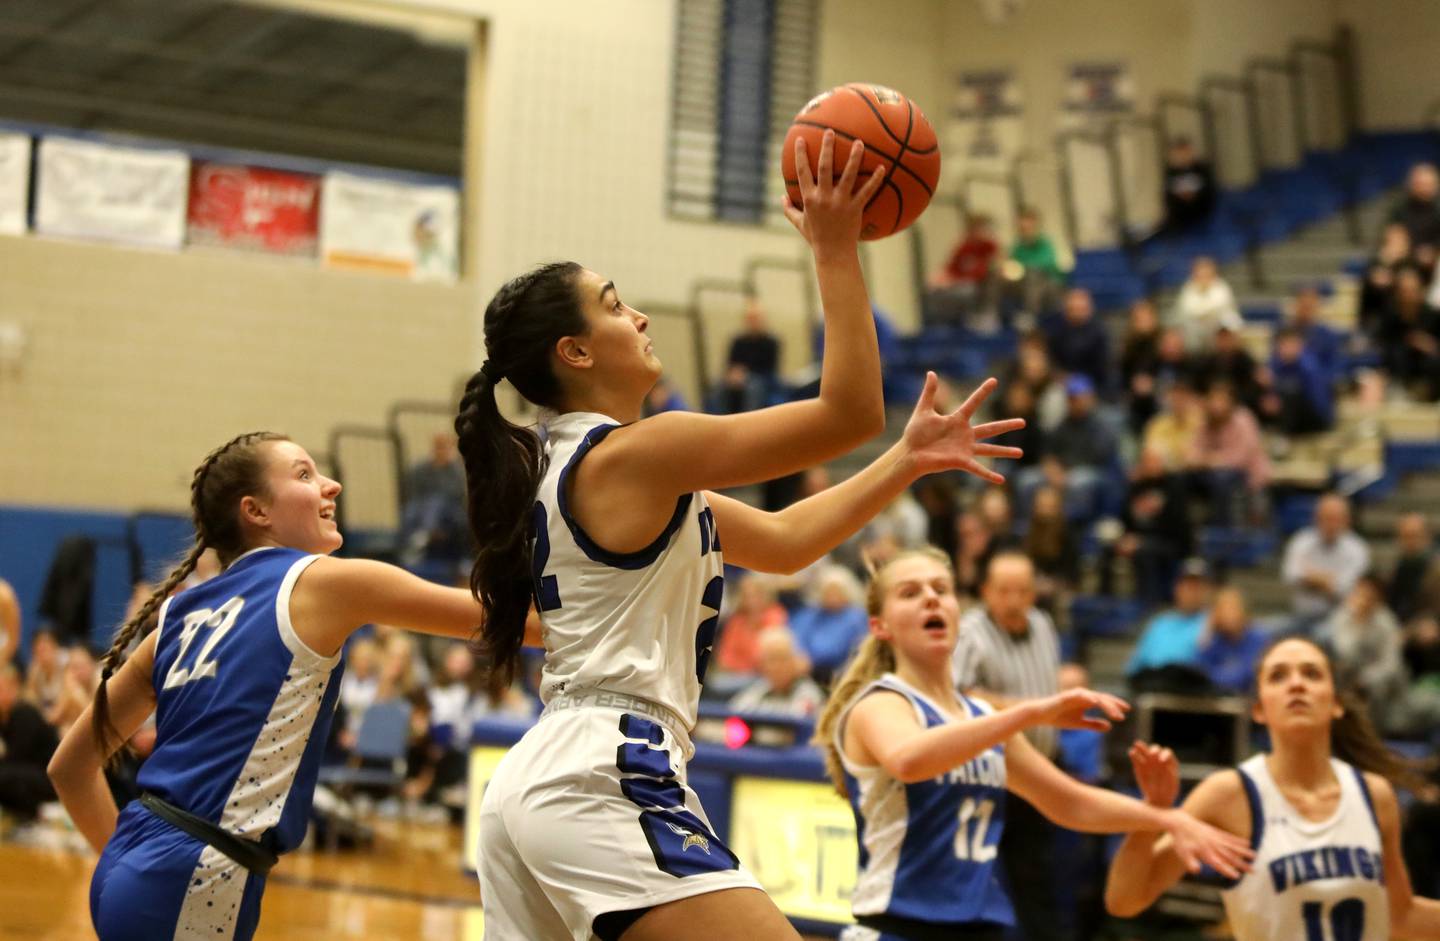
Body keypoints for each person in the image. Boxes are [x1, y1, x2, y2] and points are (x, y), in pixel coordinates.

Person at [456, 131, 1027, 941]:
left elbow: (791, 540)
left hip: (548, 773)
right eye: (615, 304)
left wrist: (904, 461)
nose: (640, 312)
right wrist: (837, 251)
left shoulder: (612, 470)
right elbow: (848, 413)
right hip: (603, 768)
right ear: (574, 351)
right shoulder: (640, 452)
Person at [45, 431, 510, 941]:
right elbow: (505, 622)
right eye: (305, 474)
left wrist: (132, 862)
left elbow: (69, 767)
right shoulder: (320, 584)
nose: (331, 486)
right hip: (192, 871)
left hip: (135, 863)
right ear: (256, 511)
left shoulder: (179, 614)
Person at [813, 549, 1251, 941]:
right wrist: (1032, 712)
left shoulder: (982, 718)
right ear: (880, 625)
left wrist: (1168, 818)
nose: (930, 598)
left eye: (941, 589)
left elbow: (1069, 802)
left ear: (957, 612)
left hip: (977, 927)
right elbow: (910, 759)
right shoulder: (880, 703)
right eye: (910, 593)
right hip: (896, 927)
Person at [1104, 636, 1440, 939]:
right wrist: (1154, 813)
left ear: (1336, 704)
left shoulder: (1374, 795)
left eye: (1311, 674)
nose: (1296, 684)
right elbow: (1125, 900)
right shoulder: (1228, 794)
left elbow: (1400, 916)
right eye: (1278, 676)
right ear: (1259, 710)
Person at [1282, 493, 1371, 631]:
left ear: (1347, 520)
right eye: (1326, 518)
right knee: (1267, 631)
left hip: (1339, 620)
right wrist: (1327, 581)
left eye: (1335, 519)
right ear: (1316, 518)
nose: (1330, 524)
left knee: (1323, 637)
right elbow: (1291, 576)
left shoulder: (1358, 550)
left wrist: (1310, 577)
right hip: (1299, 616)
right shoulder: (1301, 541)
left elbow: (1344, 590)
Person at [1126, 558, 1214, 689]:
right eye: (1187, 585)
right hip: (1151, 689)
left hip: (1192, 695)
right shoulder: (1160, 623)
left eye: (1197, 587)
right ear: (1176, 588)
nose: (1191, 592)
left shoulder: (1212, 622)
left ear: (1207, 590)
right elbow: (1133, 668)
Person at [0, 663, 58, 822]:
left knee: (5, 776)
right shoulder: (5, 716)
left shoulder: (24, 712)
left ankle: (33, 816)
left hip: (48, 778)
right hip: (27, 771)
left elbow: (17, 756)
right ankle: (20, 817)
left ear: (14, 687)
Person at [727, 628, 825, 718]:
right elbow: (734, 712)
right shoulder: (758, 690)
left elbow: (798, 716)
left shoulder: (809, 693)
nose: (776, 667)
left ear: (795, 661)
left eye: (782, 659)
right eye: (771, 660)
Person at [1195, 587, 1267, 695]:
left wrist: (1214, 678)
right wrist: (1206, 633)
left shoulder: (1259, 638)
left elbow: (1247, 676)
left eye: (1232, 608)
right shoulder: (1214, 639)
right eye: (1222, 609)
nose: (1228, 615)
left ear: (1244, 611)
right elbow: (1198, 675)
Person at [1044, 288, 1111, 392]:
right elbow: (1051, 360)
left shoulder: (1099, 333)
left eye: (1080, 309)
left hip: (1092, 384)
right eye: (1073, 309)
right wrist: (1060, 376)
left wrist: (1079, 380)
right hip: (1060, 383)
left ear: (1089, 309)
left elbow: (1102, 368)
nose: (1076, 313)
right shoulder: (1056, 331)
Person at [1173, 257, 1239, 353]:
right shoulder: (1188, 288)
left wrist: (1202, 311)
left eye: (1206, 273)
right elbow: (1187, 309)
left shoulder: (1221, 287)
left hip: (1217, 327)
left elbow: (1220, 306)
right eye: (1200, 273)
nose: (1203, 276)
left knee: (1232, 324)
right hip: (1194, 331)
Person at [1162, 137, 1216, 233]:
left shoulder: (1202, 169)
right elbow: (1168, 193)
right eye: (1180, 153)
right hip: (1180, 211)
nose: (1183, 156)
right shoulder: (1171, 172)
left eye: (1186, 152)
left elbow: (1210, 190)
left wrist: (1194, 194)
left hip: (1201, 208)